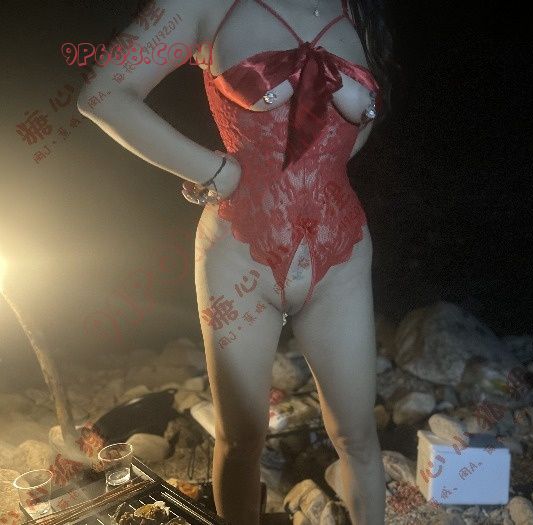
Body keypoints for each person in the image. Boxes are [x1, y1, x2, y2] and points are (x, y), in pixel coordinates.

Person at [77, 0, 397, 523]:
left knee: (358, 436)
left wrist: (313, 174)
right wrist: (211, 170)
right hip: (240, 256)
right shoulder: (206, 4)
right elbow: (103, 93)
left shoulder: (357, 11)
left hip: (340, 252)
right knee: (240, 438)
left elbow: (357, 130)